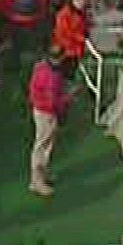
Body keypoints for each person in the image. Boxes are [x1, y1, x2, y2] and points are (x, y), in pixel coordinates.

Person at [28, 47, 70, 197]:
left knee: (45, 144)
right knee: (43, 145)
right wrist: (67, 98)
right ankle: (37, 181)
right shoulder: (51, 76)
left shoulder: (41, 67)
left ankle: (42, 175)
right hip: (47, 113)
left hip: (40, 110)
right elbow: (53, 101)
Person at [50, 0, 90, 78]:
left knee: (71, 70)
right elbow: (65, 31)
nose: (82, 5)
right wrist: (81, 37)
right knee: (64, 71)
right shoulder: (65, 14)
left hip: (74, 48)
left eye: (83, 3)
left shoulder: (80, 13)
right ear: (74, 1)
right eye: (80, 3)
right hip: (66, 48)